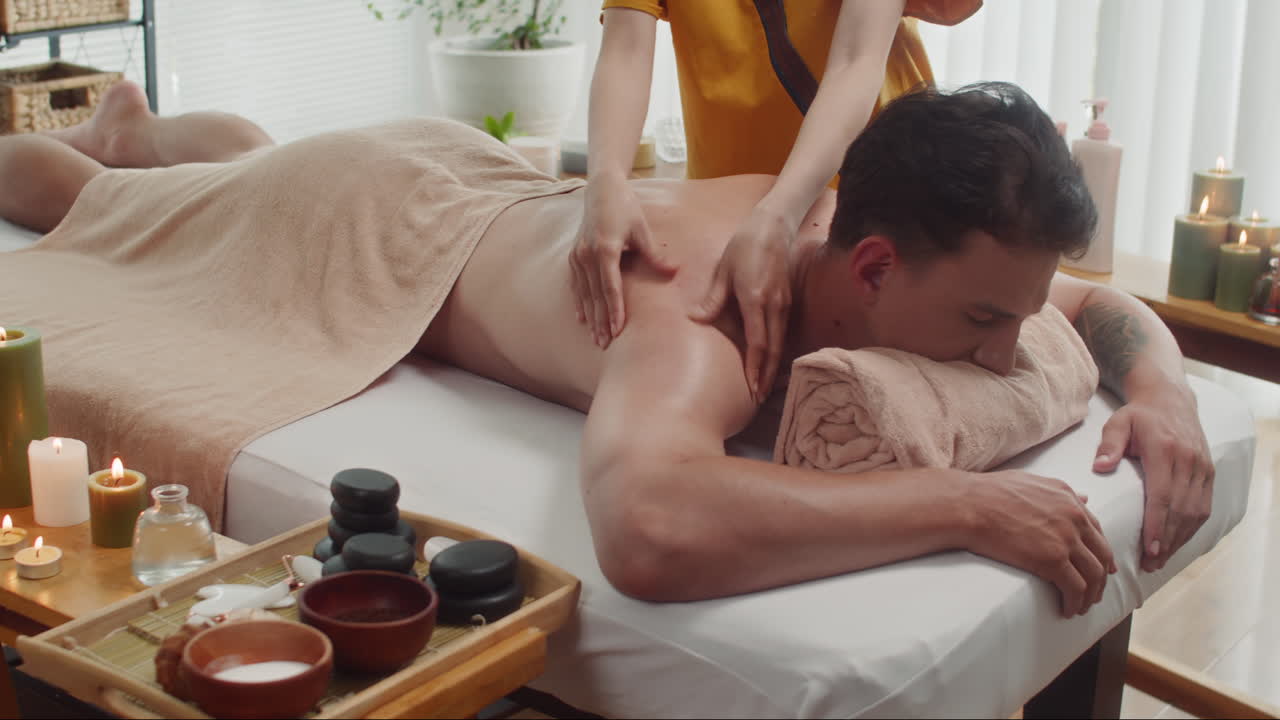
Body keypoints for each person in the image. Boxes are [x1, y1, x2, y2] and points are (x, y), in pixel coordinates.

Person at [4, 81, 1212, 617]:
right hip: (370, 222)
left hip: (470, 178)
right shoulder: (702, 314)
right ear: (872, 267)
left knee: (233, 166)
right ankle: (107, 145)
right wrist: (961, 505)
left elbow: (1087, 310)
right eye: (983, 324)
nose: (1004, 356)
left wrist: (1159, 389)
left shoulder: (896, 245)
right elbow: (650, 528)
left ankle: (143, 125)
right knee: (95, 205)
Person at [574, 0, 981, 404]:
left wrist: (779, 214)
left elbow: (855, 61)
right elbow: (625, 49)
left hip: (878, 200)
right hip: (736, 207)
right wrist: (606, 180)